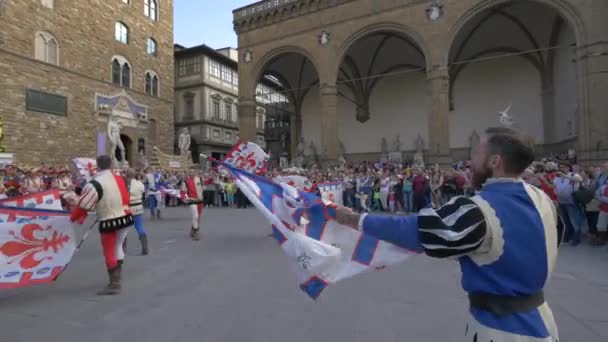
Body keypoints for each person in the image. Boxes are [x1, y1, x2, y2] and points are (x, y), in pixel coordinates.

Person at [333, 127, 563, 342]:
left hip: (503, 330)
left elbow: (419, 230)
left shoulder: (479, 209)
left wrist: (355, 220)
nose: (471, 161)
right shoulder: (542, 198)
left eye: (476, 153)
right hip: (542, 319)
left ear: (495, 161)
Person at [70, 155, 134, 295]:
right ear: (110, 164)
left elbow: (83, 206)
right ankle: (117, 278)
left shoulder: (95, 183)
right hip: (126, 216)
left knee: (109, 250)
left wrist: (72, 218)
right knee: (118, 245)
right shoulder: (120, 178)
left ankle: (114, 283)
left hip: (109, 220)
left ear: (97, 166)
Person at [126, 168, 148, 255]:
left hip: (127, 207)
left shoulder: (125, 184)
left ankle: (122, 248)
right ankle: (144, 246)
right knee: (139, 227)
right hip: (138, 207)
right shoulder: (139, 183)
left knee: (123, 228)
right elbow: (143, 191)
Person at [183, 169, 204, 240]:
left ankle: (193, 229)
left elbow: (207, 182)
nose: (192, 173)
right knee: (195, 216)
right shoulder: (186, 181)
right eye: (190, 171)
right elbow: (183, 192)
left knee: (198, 217)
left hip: (200, 200)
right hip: (192, 200)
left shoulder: (199, 179)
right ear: (188, 173)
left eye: (193, 171)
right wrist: (185, 198)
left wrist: (214, 176)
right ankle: (196, 232)